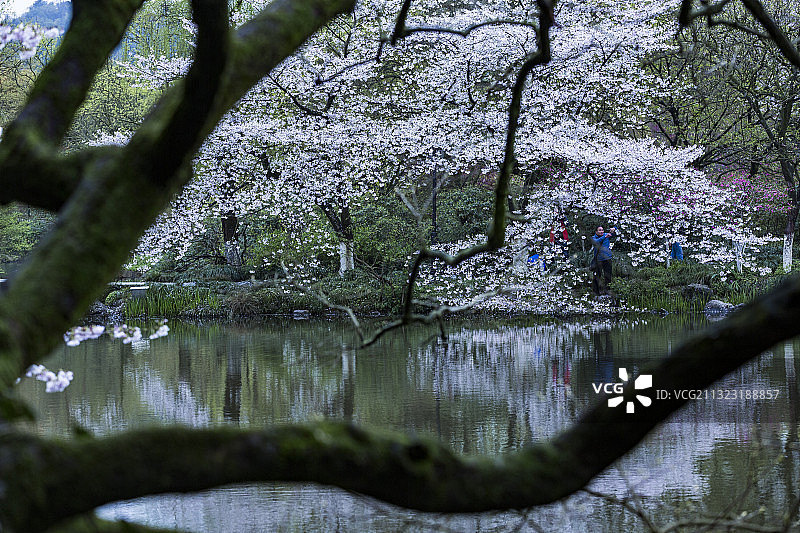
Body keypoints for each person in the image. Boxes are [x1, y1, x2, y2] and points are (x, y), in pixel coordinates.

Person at [591, 225, 617, 295]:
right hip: (598, 260)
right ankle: (596, 291)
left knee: (608, 275)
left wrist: (614, 229)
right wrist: (604, 237)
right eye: (599, 230)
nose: (601, 231)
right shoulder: (594, 238)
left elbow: (615, 234)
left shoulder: (606, 235)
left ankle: (607, 290)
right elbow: (596, 242)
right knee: (597, 276)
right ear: (596, 232)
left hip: (607, 259)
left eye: (602, 230)